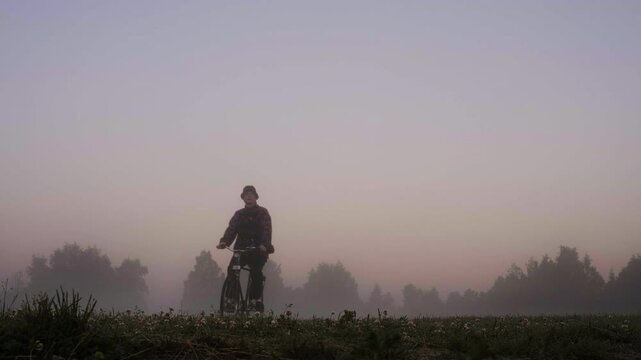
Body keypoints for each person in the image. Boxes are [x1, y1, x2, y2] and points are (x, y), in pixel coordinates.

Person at [216, 185, 273, 312]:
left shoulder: (263, 213)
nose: (248, 197)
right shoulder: (238, 214)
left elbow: (266, 230)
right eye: (246, 195)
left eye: (251, 194)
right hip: (240, 250)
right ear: (243, 198)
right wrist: (224, 242)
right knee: (232, 270)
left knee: (256, 272)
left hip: (258, 250)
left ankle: (255, 300)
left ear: (256, 197)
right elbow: (231, 230)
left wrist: (264, 244)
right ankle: (231, 300)